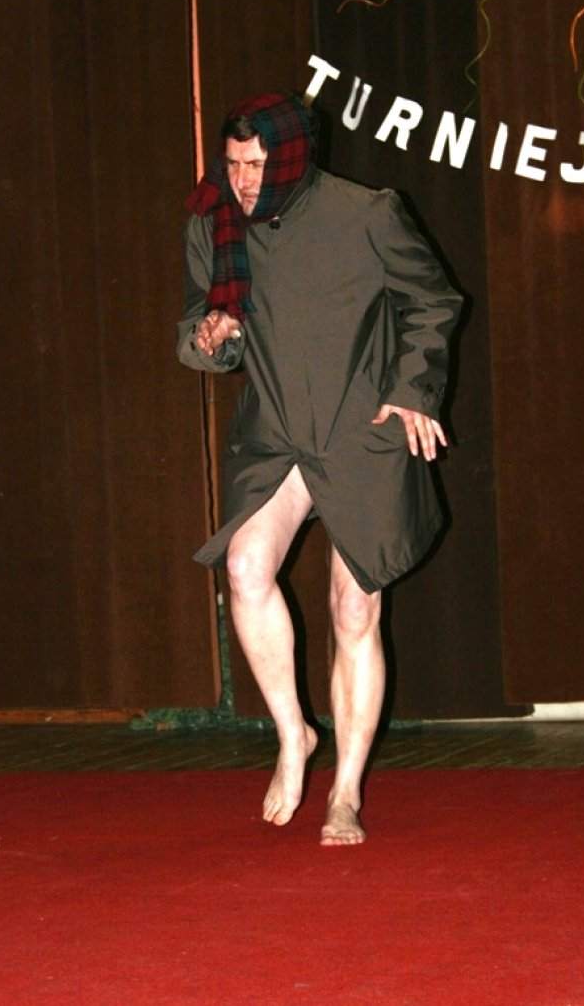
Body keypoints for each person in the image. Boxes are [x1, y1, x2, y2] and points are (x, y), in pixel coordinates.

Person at [177, 93, 461, 846]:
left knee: (353, 612)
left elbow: (433, 300)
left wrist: (413, 389)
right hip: (276, 431)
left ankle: (345, 792)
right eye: (232, 164)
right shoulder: (214, 222)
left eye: (255, 164)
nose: (242, 180)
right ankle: (293, 734)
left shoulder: (366, 213)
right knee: (245, 567)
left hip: (364, 430)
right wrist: (212, 335)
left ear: (292, 157)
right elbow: (201, 325)